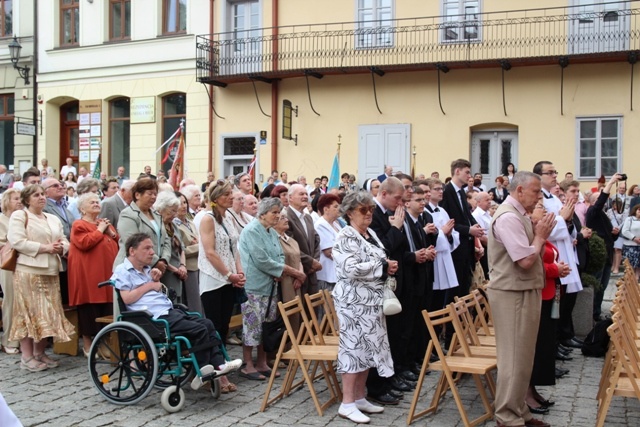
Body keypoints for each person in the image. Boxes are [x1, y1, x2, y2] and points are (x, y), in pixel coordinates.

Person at [111, 233, 242, 390]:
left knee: (207, 323)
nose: (152, 252)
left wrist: (154, 280)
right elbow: (127, 299)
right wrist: (150, 286)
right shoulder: (123, 270)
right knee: (198, 329)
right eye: (147, 248)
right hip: (151, 319)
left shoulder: (147, 270)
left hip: (167, 312)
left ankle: (220, 366)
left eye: (152, 248)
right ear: (132, 251)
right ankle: (203, 371)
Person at [488, 171, 555, 427]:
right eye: (536, 191)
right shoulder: (507, 217)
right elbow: (526, 260)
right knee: (513, 359)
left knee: (524, 357)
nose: (540, 196)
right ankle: (506, 416)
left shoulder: (518, 214)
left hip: (522, 290)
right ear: (519, 191)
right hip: (512, 293)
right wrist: (540, 237)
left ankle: (519, 411)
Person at [333, 190, 399, 423]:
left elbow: (378, 256)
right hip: (353, 303)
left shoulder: (369, 232)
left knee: (369, 350)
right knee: (353, 350)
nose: (369, 213)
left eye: (371, 209)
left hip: (371, 301)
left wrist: (387, 264)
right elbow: (351, 267)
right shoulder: (345, 235)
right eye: (363, 209)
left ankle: (360, 397)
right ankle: (347, 402)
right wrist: (382, 266)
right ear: (350, 212)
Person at [8, 184, 75, 372]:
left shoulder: (52, 218)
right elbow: (17, 241)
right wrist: (45, 248)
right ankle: (26, 356)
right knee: (28, 312)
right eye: (36, 195)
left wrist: (62, 247)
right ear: (27, 199)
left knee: (47, 312)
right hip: (28, 269)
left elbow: (64, 239)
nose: (41, 197)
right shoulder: (20, 216)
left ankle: (40, 353)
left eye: (43, 194)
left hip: (51, 269)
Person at [238, 198, 305, 380]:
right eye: (274, 212)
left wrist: (279, 271)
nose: (277, 216)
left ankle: (262, 362)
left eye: (278, 212)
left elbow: (278, 255)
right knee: (252, 325)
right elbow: (261, 259)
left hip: (271, 285)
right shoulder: (252, 230)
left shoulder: (270, 231)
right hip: (254, 285)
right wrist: (286, 271)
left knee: (266, 326)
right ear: (263, 213)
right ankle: (248, 364)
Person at [526, 201, 570, 414]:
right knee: (535, 346)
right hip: (538, 294)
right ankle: (526, 392)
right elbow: (529, 262)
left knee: (544, 345)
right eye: (538, 205)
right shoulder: (529, 232)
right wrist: (555, 269)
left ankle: (533, 389)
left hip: (549, 292)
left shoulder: (541, 232)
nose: (543, 207)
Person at [198, 180, 246, 361]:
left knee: (224, 326)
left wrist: (239, 271)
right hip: (214, 279)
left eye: (230, 193)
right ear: (216, 198)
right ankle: (216, 368)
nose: (231, 197)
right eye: (226, 194)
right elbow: (210, 252)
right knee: (215, 325)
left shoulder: (228, 217)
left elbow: (235, 247)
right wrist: (228, 274)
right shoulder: (207, 219)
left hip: (229, 279)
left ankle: (222, 363)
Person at [68, 193, 118, 356]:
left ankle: (105, 342)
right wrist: (100, 230)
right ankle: (88, 344)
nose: (97, 204)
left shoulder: (102, 223)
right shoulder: (79, 224)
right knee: (90, 309)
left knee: (107, 308)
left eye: (98, 201)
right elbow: (84, 243)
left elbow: (116, 240)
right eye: (92, 202)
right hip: (88, 275)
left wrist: (110, 233)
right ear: (82, 208)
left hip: (106, 273)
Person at [587, 173, 624, 322]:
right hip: (599, 255)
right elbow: (600, 202)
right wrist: (611, 183)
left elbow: (607, 234)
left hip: (607, 253)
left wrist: (614, 234)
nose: (602, 202)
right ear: (592, 202)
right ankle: (592, 314)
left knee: (602, 286)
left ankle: (596, 313)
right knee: (597, 286)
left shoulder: (603, 215)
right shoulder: (592, 212)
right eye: (598, 200)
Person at [114, 178, 171, 274]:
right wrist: (155, 261)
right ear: (137, 195)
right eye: (150, 193)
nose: (153, 197)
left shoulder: (157, 215)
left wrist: (164, 260)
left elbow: (166, 239)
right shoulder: (128, 214)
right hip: (132, 268)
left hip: (155, 270)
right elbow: (132, 242)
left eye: (155, 194)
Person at [273, 210, 304, 335]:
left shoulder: (292, 240)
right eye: (282, 218)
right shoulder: (274, 239)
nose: (286, 220)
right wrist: (298, 274)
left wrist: (300, 276)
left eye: (286, 217)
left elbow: (299, 260)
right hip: (284, 283)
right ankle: (283, 349)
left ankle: (295, 346)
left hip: (297, 283)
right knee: (284, 315)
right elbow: (277, 262)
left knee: (296, 315)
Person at [0, 189, 23, 354]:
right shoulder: (1, 220)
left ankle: (23, 339)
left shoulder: (22, 218)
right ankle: (9, 339)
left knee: (22, 302)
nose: (19, 201)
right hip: (7, 264)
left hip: (24, 263)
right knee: (11, 300)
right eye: (16, 199)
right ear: (7, 201)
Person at [154, 192, 187, 303]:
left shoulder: (173, 226)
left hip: (178, 273)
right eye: (172, 211)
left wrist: (182, 266)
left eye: (175, 211)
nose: (175, 214)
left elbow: (182, 248)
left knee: (179, 303)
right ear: (162, 208)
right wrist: (175, 270)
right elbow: (159, 254)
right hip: (166, 273)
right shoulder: (157, 226)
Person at [174, 192, 202, 314]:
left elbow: (197, 240)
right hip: (189, 267)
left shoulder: (190, 222)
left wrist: (196, 244)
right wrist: (200, 246)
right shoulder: (174, 224)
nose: (183, 206)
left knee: (201, 299)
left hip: (199, 264)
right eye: (179, 203)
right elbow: (182, 249)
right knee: (193, 301)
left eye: (184, 202)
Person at [620, 204, 640, 280]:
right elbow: (624, 231)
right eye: (639, 210)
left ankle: (637, 280)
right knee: (630, 266)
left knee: (638, 266)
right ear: (635, 211)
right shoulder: (629, 219)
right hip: (630, 246)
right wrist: (634, 238)